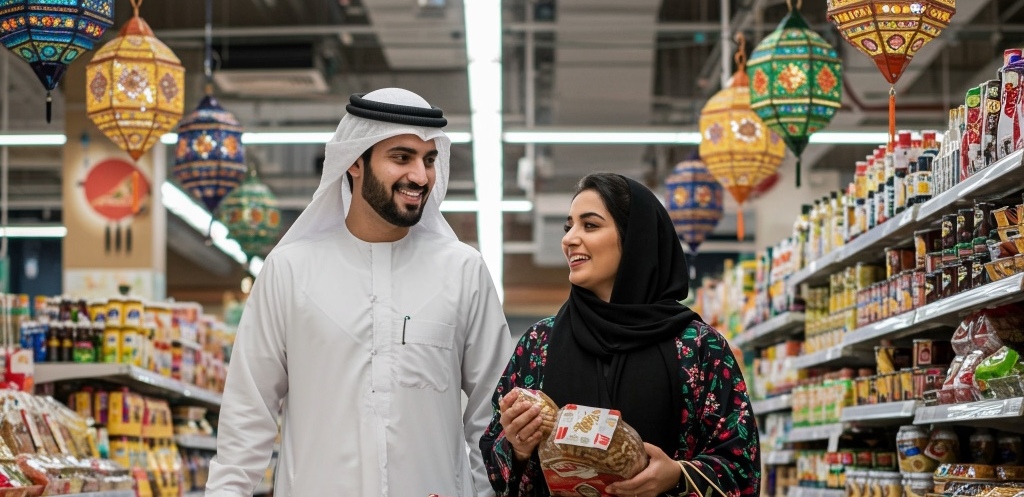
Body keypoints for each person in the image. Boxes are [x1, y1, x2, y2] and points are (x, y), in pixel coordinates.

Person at [205, 88, 514, 496]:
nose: (420, 176)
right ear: (354, 161)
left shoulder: (462, 271)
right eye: (401, 157)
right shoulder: (290, 271)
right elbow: (247, 416)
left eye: (429, 160)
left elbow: (491, 416)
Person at [480, 173, 760, 497]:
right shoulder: (539, 343)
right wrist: (517, 446)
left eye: (590, 225)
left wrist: (677, 475)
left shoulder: (698, 347)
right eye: (568, 226)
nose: (569, 239)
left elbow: (742, 465)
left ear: (634, 238)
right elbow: (494, 453)